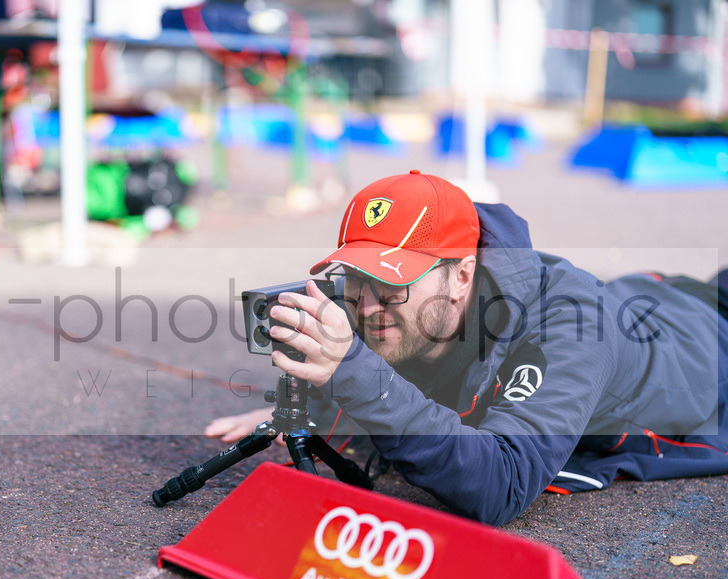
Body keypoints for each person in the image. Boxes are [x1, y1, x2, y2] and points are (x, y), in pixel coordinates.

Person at [205, 170, 728, 525]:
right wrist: (306, 401)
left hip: (705, 331)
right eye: (356, 275)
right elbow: (381, 359)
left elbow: (500, 483)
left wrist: (354, 374)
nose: (366, 305)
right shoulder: (394, 303)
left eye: (393, 281)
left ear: (462, 275)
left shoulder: (572, 331)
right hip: (644, 292)